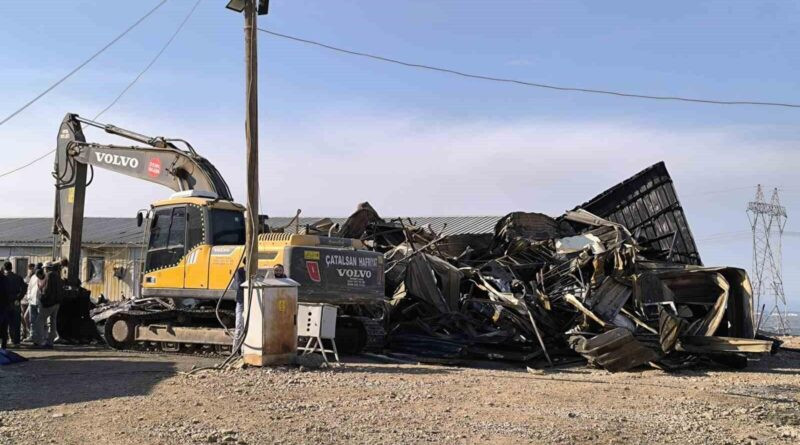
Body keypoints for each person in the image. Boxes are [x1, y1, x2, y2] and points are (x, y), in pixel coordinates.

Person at [37, 262, 63, 348]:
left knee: (39, 321)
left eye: (44, 268)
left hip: (49, 303)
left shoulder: (48, 275)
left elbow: (47, 290)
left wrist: (42, 298)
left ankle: (41, 342)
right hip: (57, 303)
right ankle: (50, 342)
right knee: (53, 322)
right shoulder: (58, 276)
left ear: (46, 268)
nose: (44, 270)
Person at [4, 261, 26, 347]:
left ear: (4, 268)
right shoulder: (18, 277)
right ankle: (16, 341)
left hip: (5, 303)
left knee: (5, 322)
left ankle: (7, 340)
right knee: (16, 321)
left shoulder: (2, 278)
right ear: (11, 267)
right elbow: (24, 288)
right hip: (16, 302)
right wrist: (19, 297)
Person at [24, 267, 45, 345]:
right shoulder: (33, 277)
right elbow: (29, 288)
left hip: (40, 302)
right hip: (32, 301)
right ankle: (32, 336)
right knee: (32, 320)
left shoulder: (45, 277)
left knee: (40, 320)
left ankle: (41, 337)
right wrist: (29, 297)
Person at [232, 261, 247, 349]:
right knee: (239, 325)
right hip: (241, 301)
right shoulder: (240, 271)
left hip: (253, 301)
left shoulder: (256, 271)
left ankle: (244, 350)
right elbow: (239, 285)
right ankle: (235, 350)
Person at [0, 267, 8, 349]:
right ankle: (3, 347)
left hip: (2, 306)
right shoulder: (5, 279)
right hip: (4, 306)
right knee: (4, 329)